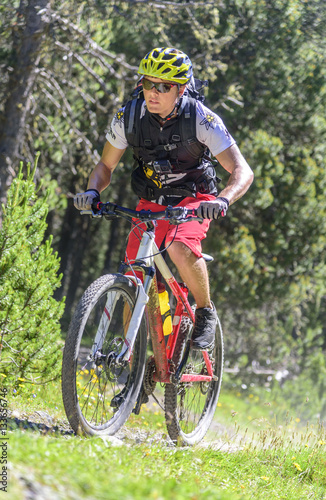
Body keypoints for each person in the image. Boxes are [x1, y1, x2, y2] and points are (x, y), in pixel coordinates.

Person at [74, 47, 254, 351]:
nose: (153, 92)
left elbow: (242, 170)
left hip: (194, 199)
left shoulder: (200, 118)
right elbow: (105, 166)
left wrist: (222, 201)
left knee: (182, 249)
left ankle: (205, 311)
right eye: (147, 83)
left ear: (181, 88)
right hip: (152, 199)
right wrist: (93, 191)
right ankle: (135, 363)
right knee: (134, 273)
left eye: (163, 86)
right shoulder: (128, 117)